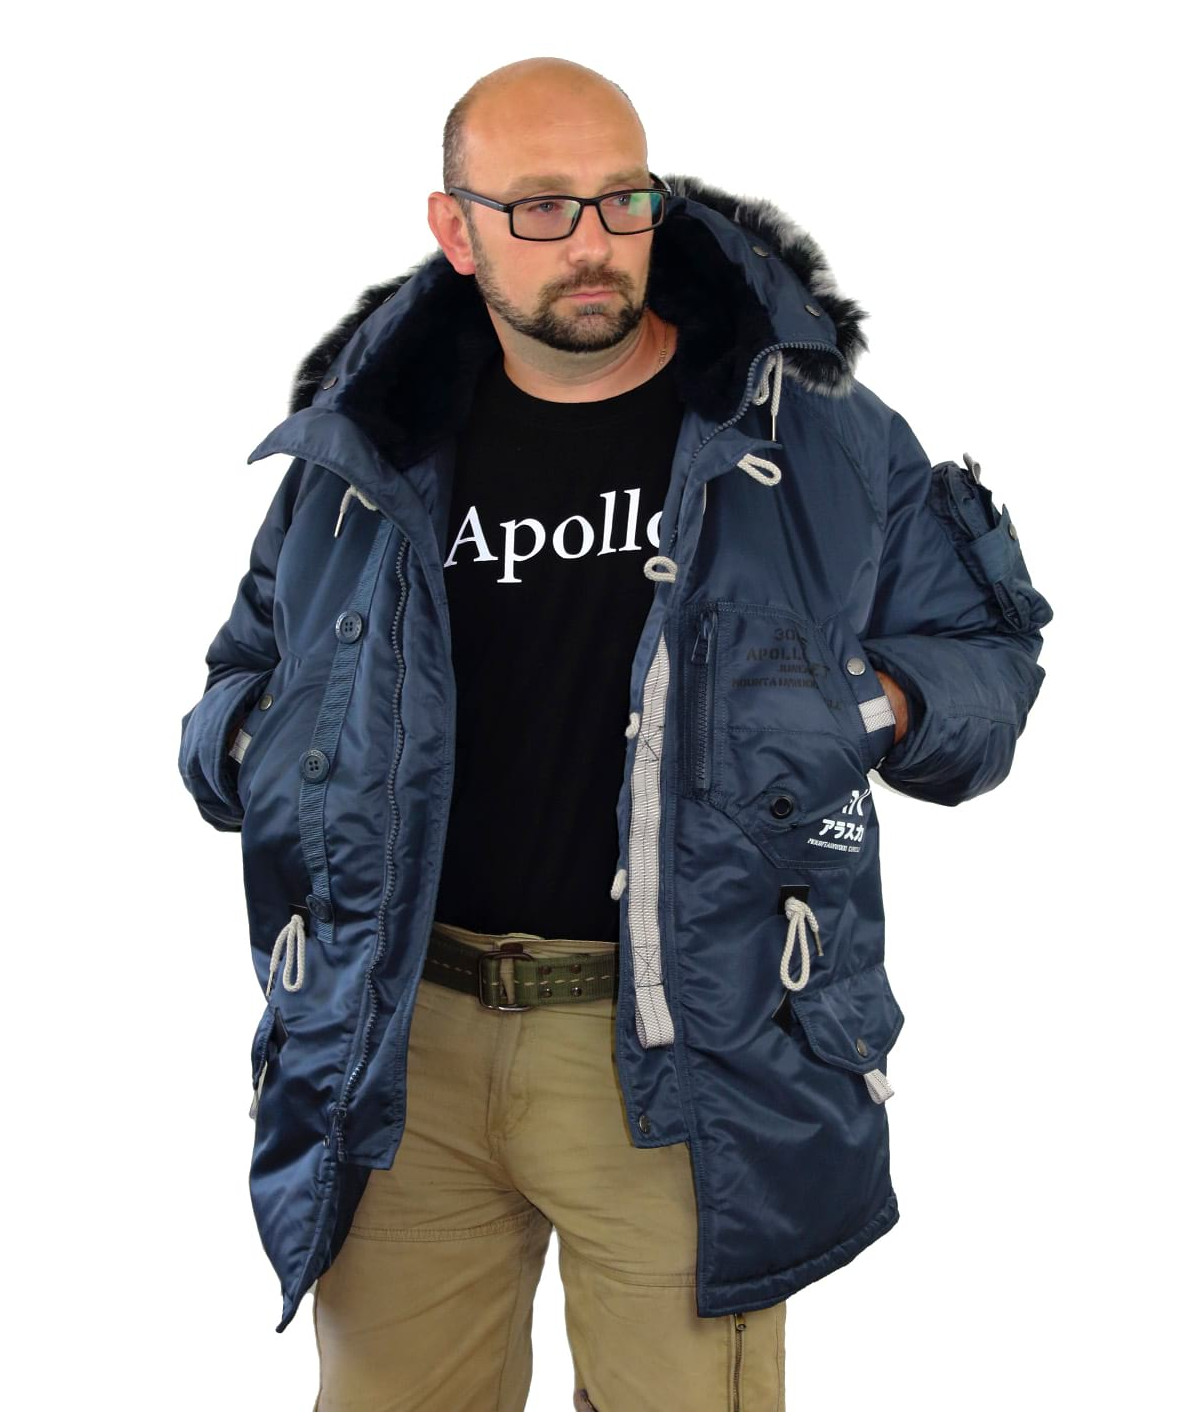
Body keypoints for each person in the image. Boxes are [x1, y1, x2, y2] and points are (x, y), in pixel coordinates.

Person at [177, 55, 1052, 1412]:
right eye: (539, 207)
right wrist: (270, 746)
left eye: (621, 198)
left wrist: (860, 707)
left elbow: (985, 665)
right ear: (455, 229)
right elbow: (239, 687)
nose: (591, 242)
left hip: (685, 1049)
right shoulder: (365, 452)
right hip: (400, 1049)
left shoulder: (817, 434)